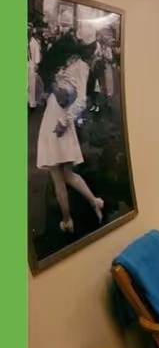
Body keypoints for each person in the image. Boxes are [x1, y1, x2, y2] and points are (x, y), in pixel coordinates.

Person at [36, 33, 104, 233]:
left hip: (58, 119)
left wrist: (64, 122)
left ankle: (68, 220)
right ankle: (93, 203)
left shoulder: (79, 66)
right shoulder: (74, 64)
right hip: (56, 115)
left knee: (59, 176)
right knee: (65, 174)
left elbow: (81, 100)